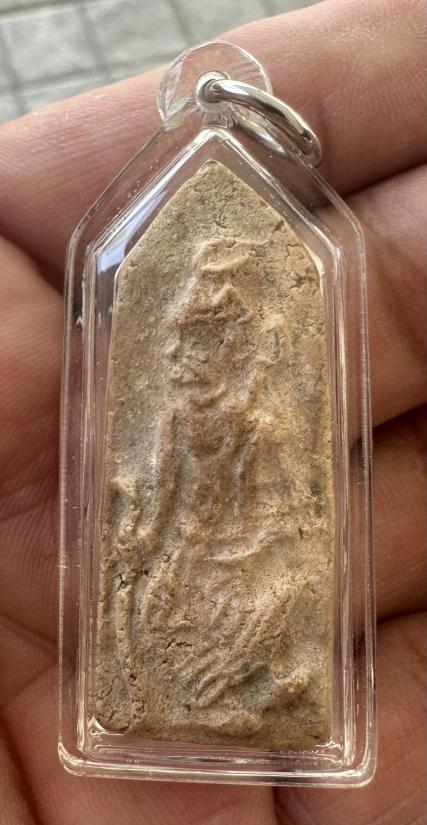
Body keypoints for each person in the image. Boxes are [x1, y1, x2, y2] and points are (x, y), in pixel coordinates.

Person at [0, 0, 425, 822]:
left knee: (260, 617)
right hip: (170, 590)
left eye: (209, 340)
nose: (186, 358)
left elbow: (287, 517)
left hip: (246, 581)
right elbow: (150, 504)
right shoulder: (169, 419)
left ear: (245, 348)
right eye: (185, 339)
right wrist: (142, 527)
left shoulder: (265, 422)